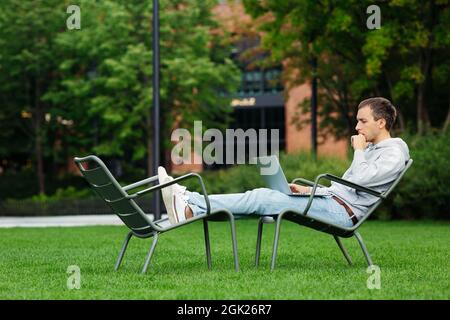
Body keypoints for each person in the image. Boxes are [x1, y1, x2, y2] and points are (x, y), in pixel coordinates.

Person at [158, 97, 410, 227]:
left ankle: (191, 206)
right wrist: (311, 190)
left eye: (362, 121)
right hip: (333, 201)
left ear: (381, 122)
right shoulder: (372, 149)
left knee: (261, 198)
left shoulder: (394, 153)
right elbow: (346, 187)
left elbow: (361, 181)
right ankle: (190, 203)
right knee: (262, 197)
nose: (356, 127)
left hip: (343, 213)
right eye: (357, 121)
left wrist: (358, 151)